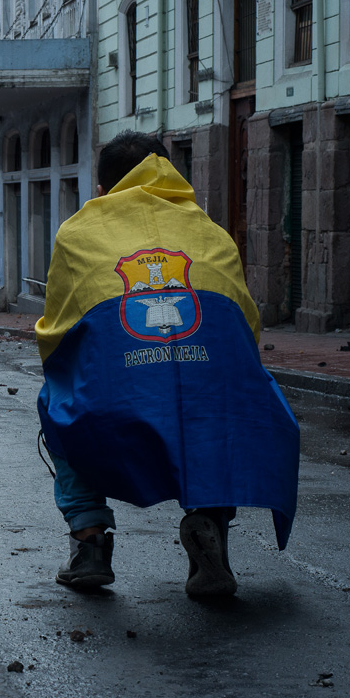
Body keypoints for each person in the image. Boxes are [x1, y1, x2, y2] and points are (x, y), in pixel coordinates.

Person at [37, 130, 300, 598]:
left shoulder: (77, 233)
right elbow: (246, 326)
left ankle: (89, 543)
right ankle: (209, 523)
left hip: (117, 403)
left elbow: (57, 331)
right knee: (214, 415)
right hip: (207, 398)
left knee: (62, 406)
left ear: (102, 189)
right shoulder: (210, 232)